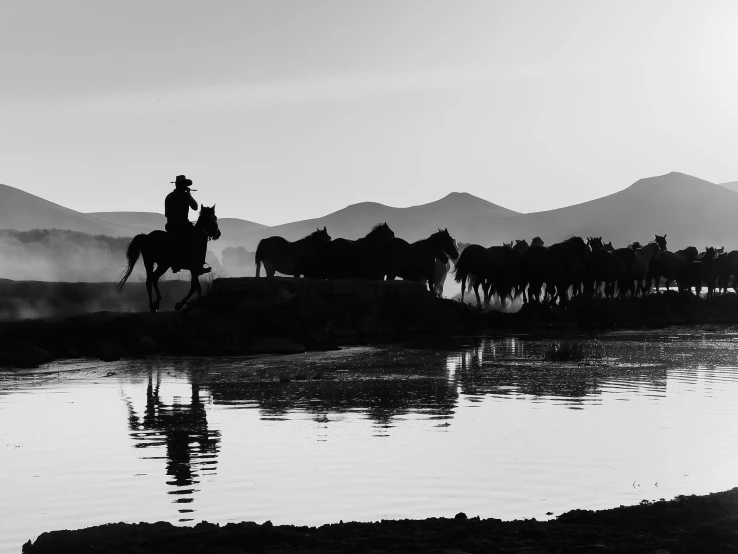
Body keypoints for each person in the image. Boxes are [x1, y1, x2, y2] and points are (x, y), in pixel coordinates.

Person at [165, 175, 208, 273]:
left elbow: (167, 214)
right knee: (201, 237)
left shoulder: (169, 196)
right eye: (184, 184)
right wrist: (189, 195)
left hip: (170, 225)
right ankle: (198, 264)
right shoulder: (185, 196)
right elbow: (195, 207)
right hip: (182, 225)